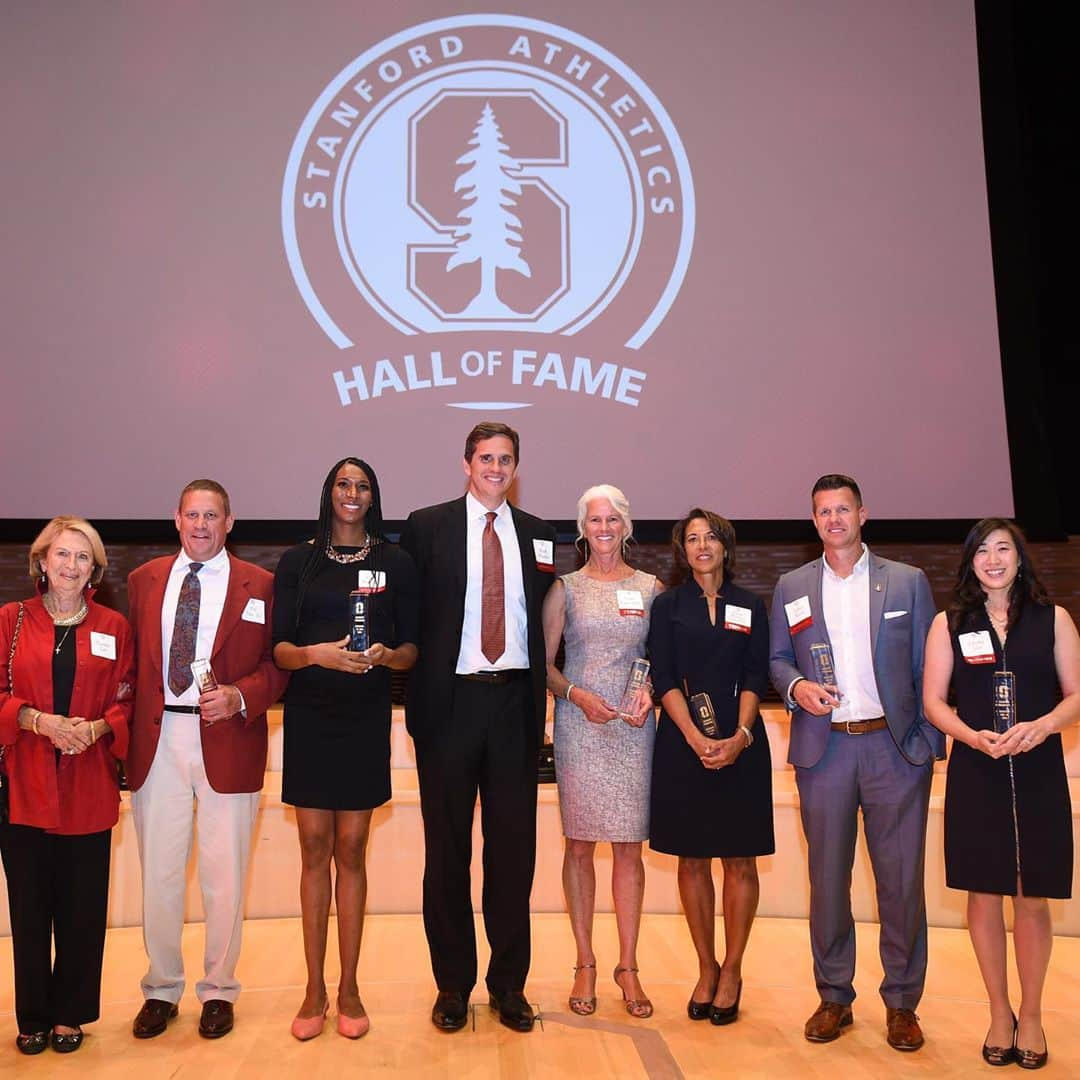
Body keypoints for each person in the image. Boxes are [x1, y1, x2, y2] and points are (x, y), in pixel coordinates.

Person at [769, 474, 940, 1052]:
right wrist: (795, 688)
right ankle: (834, 996)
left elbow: (927, 665)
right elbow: (775, 659)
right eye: (823, 511)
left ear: (863, 514)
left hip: (894, 750)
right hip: (825, 750)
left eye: (843, 509)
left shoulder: (907, 583)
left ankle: (902, 1002)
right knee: (827, 883)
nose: (834, 519)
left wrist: (923, 745)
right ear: (813, 520)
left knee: (900, 883)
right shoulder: (792, 585)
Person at [399, 421, 556, 1033]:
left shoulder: (538, 535)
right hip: (449, 709)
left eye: (506, 458)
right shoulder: (426, 527)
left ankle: (509, 987)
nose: (496, 467)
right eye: (486, 457)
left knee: (513, 856)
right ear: (466, 462)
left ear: (516, 466)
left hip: (514, 707)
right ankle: (453, 986)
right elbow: (410, 617)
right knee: (447, 856)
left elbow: (544, 618)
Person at [126, 480, 288, 1041]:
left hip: (228, 737)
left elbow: (278, 662)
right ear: (176, 519)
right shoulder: (143, 581)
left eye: (211, 515)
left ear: (230, 522)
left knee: (224, 877)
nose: (201, 525)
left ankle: (219, 990)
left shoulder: (262, 585)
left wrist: (241, 695)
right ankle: (161, 989)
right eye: (192, 515)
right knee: (160, 875)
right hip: (157, 740)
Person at [922, 518, 1080, 1069]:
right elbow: (934, 703)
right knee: (983, 893)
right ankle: (998, 1011)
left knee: (1031, 894)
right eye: (982, 550)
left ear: (1020, 557)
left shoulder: (1052, 619)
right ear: (971, 562)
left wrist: (1044, 725)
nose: (993, 559)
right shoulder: (950, 623)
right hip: (977, 769)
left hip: (1038, 770)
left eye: (1003, 548)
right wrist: (969, 736)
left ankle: (1032, 1014)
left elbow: (1076, 695)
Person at [272, 458, 419, 1040]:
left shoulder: (395, 561)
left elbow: (412, 650)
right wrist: (315, 655)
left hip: (363, 717)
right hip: (310, 716)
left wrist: (383, 656)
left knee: (352, 848)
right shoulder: (297, 562)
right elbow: (279, 649)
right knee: (313, 847)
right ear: (329, 493)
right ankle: (314, 990)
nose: (352, 494)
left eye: (362, 486)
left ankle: (351, 987)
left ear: (373, 497)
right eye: (343, 484)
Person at [0, 517, 134, 1055]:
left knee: (81, 911)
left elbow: (129, 697)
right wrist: (37, 720)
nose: (71, 565)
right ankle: (32, 1013)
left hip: (88, 784)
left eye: (83, 557)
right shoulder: (10, 621)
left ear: (95, 569)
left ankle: (69, 1014)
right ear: (41, 561)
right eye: (62, 555)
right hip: (24, 786)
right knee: (29, 910)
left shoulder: (114, 625)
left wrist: (98, 727)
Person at [648, 509, 773, 1026]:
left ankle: (734, 969)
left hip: (742, 743)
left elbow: (754, 674)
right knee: (692, 859)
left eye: (710, 538)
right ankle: (706, 967)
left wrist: (740, 737)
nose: (702, 546)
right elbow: (665, 676)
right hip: (683, 743)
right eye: (692, 539)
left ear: (726, 546)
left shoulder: (750, 604)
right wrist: (696, 737)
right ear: (683, 549)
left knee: (740, 861)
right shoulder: (667, 606)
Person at [541, 484, 660, 1019]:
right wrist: (575, 695)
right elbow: (543, 666)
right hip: (580, 726)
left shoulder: (651, 588)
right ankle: (585, 961)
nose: (604, 528)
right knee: (581, 846)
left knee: (630, 849)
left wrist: (650, 690)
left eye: (613, 519)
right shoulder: (564, 588)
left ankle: (628, 966)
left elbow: (663, 660)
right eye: (594, 520)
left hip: (634, 729)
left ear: (627, 525)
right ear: (582, 528)